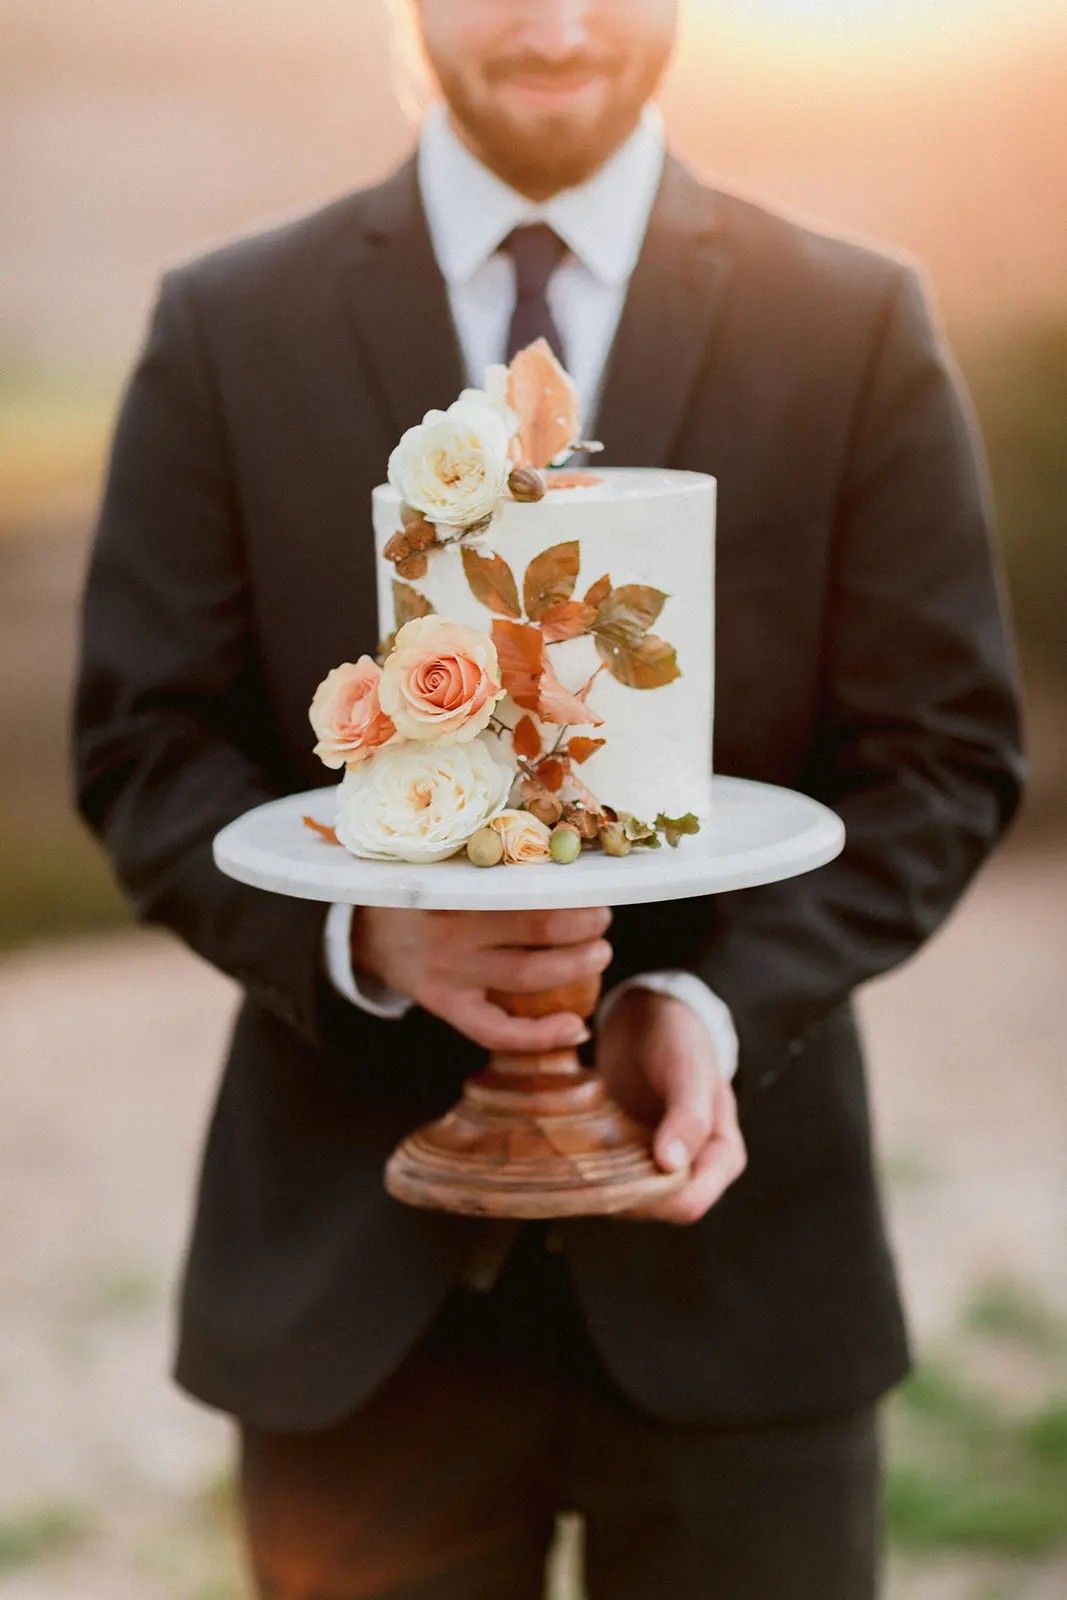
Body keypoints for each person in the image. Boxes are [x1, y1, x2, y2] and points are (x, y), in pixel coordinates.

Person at [71, 2, 1025, 1596]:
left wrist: (711, 1007)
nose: (560, 17)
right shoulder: (229, 320)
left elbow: (946, 754)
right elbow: (141, 745)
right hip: (349, 1294)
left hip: (742, 1277)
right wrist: (374, 941)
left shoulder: (853, 318)